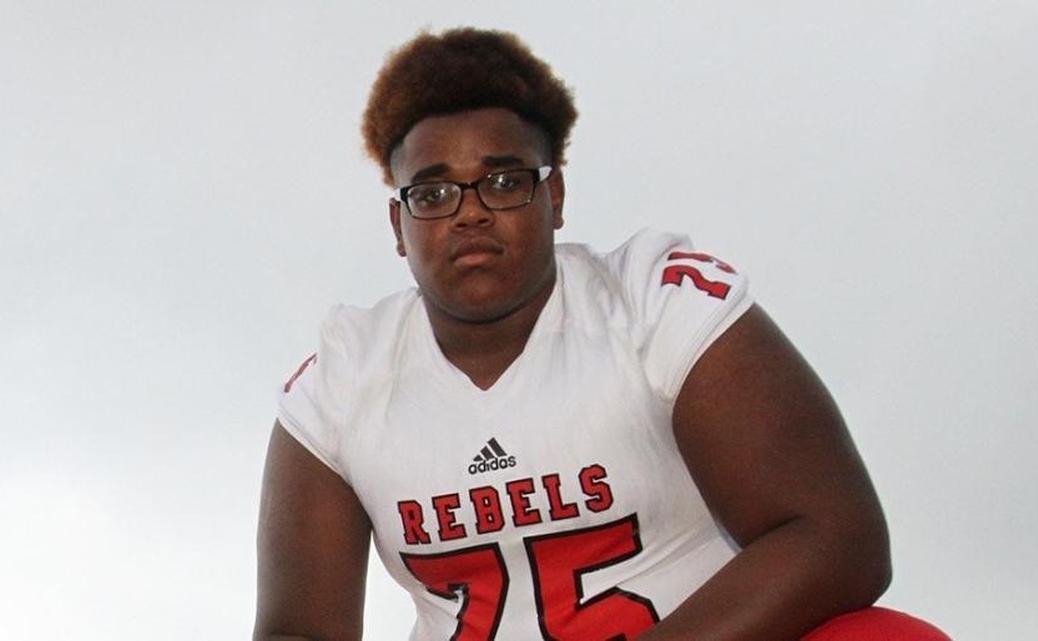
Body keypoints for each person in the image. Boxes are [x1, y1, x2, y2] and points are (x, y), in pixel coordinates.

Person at [254, 27, 950, 641]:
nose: (469, 213)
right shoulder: (343, 382)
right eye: (432, 193)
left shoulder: (653, 305)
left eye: (502, 180)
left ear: (555, 198)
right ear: (397, 227)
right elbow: (297, 629)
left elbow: (840, 537)